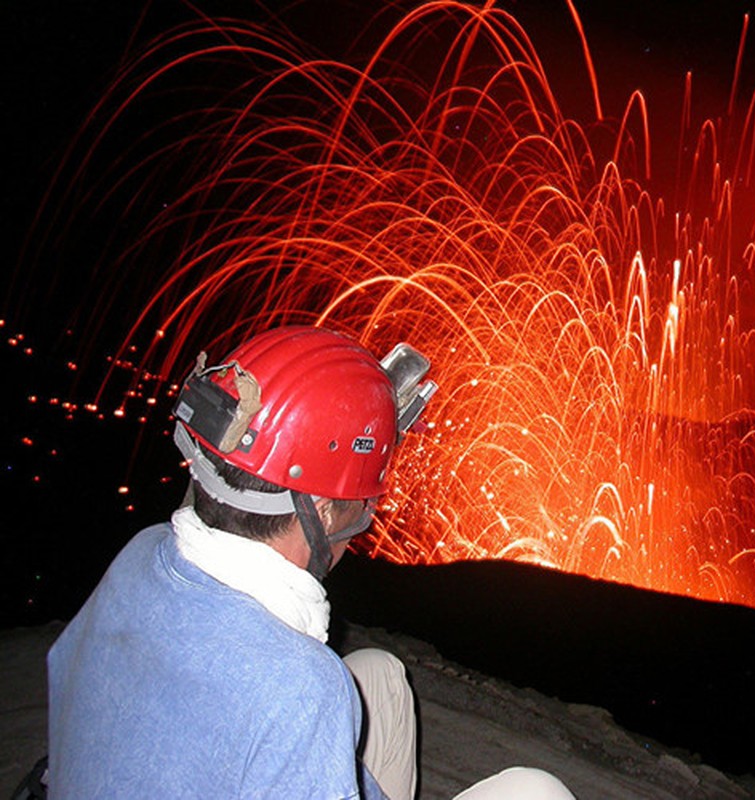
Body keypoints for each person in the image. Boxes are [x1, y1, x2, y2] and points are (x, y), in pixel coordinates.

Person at [47, 325, 574, 799]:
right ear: (319, 509)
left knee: (380, 677)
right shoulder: (297, 685)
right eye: (359, 507)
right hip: (281, 712)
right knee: (536, 791)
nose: (362, 522)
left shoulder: (141, 554)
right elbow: (286, 693)